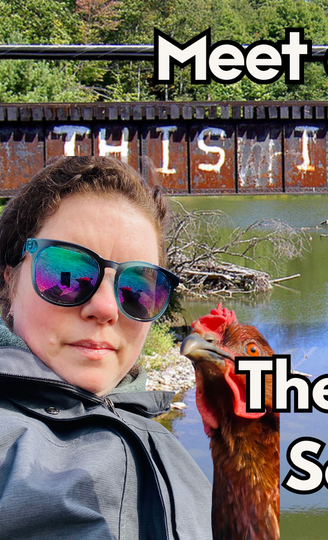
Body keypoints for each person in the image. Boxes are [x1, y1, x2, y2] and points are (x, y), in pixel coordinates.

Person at [0, 156, 212, 538]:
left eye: (138, 288)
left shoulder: (172, 453)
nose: (105, 308)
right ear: (9, 282)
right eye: (68, 274)